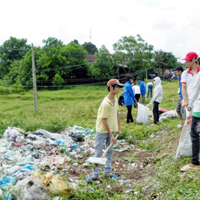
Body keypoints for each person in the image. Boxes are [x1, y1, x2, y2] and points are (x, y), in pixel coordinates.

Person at [85, 79, 122, 181]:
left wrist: (119, 128)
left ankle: (107, 172)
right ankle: (95, 174)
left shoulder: (116, 100)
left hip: (111, 130)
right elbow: (104, 120)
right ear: (111, 88)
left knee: (109, 151)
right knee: (98, 152)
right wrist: (111, 135)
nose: (119, 88)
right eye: (117, 86)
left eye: (119, 87)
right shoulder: (105, 103)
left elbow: (117, 114)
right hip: (102, 131)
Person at [180, 55, 200, 171]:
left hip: (197, 108)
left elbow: (196, 92)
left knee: (194, 134)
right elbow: (184, 88)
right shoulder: (185, 73)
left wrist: (190, 104)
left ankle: (194, 163)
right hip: (194, 106)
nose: (186, 62)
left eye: (188, 60)